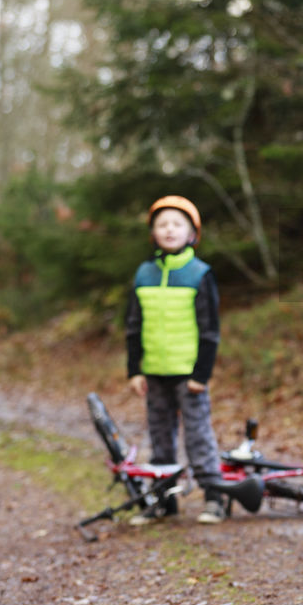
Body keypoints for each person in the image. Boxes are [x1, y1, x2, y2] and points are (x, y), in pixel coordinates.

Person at [125, 195, 227, 524]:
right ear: (153, 232)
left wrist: (202, 373)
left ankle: (214, 497)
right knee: (159, 439)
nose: (169, 230)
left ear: (191, 232)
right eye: (162, 224)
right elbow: (133, 326)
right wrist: (134, 370)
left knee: (198, 436)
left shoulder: (200, 273)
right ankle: (163, 500)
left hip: (188, 374)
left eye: (177, 224)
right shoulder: (143, 273)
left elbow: (210, 329)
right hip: (154, 372)